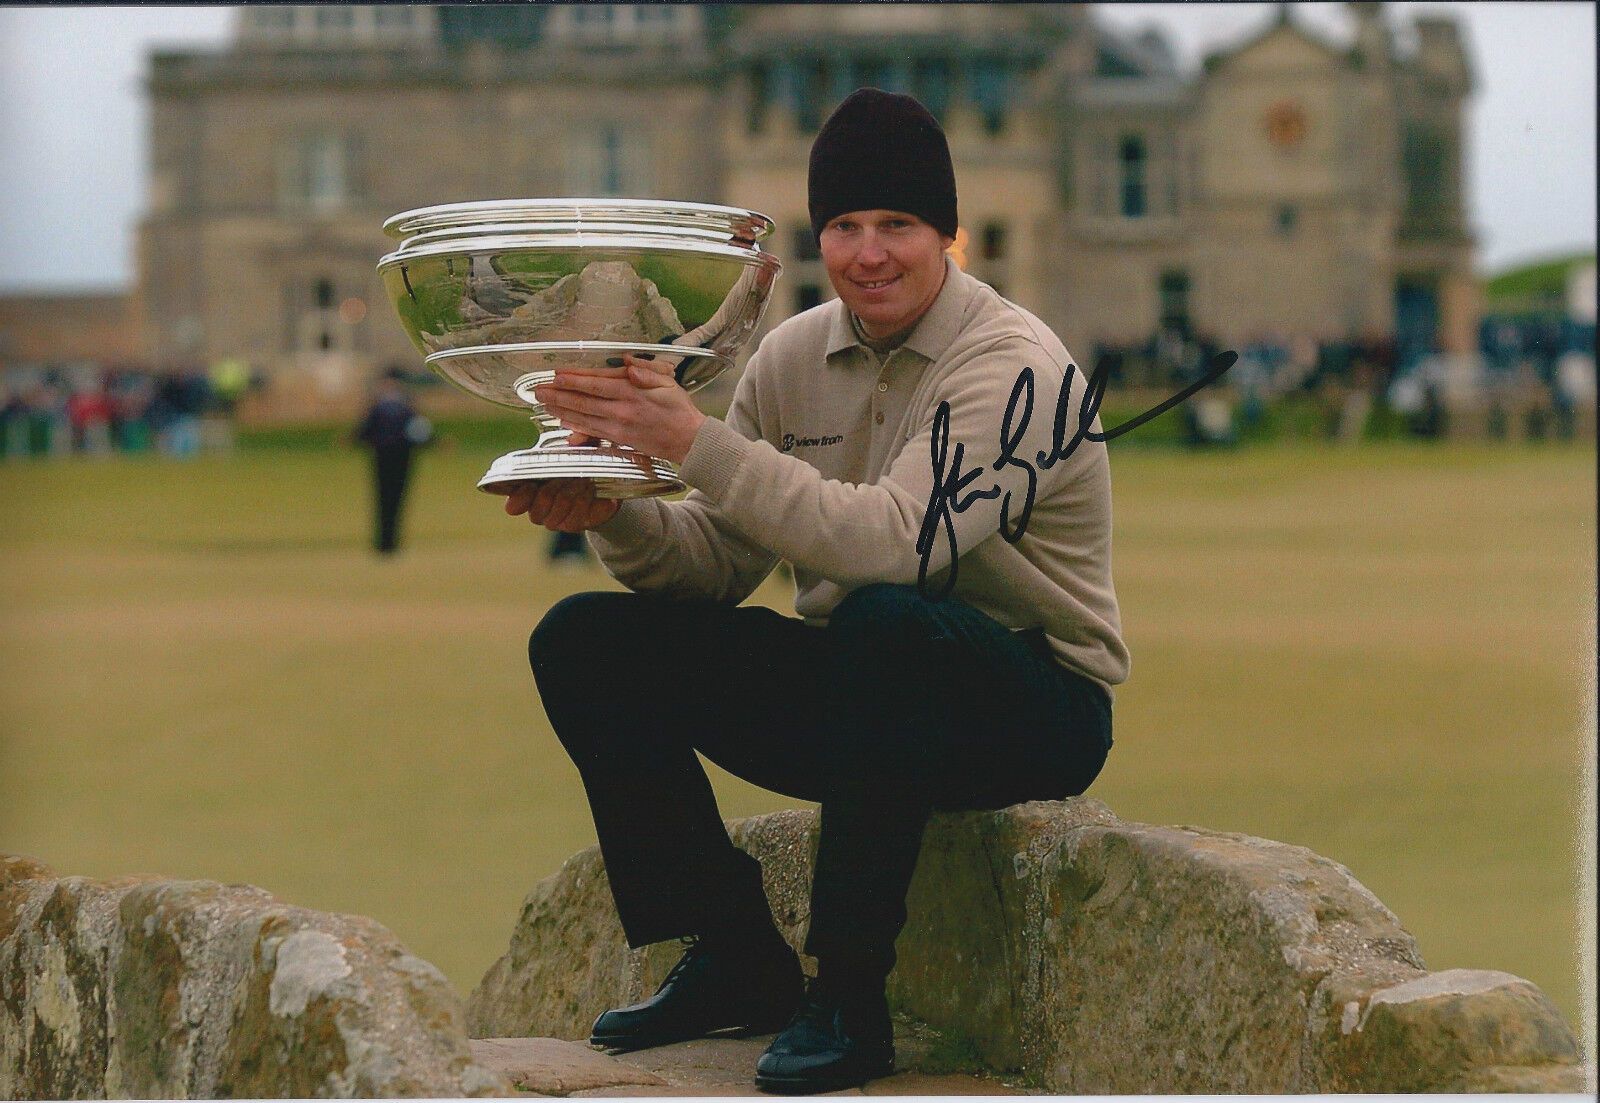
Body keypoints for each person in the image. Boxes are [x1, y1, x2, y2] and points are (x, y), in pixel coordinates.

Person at [500, 89, 1127, 1094]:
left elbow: (893, 545)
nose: (867, 252)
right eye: (843, 225)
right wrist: (612, 511)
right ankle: (734, 949)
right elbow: (714, 561)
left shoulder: (1018, 369)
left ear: (947, 233)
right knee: (583, 638)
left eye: (897, 225)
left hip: (1028, 703)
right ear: (818, 233)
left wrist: (691, 440)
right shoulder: (792, 354)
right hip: (869, 695)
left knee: (884, 618)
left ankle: (848, 995)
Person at [352, 367, 431, 554]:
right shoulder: (404, 407)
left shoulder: (385, 407)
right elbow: (419, 432)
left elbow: (365, 432)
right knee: (390, 499)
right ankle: (386, 541)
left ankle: (387, 541)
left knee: (389, 499)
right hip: (396, 457)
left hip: (391, 457)